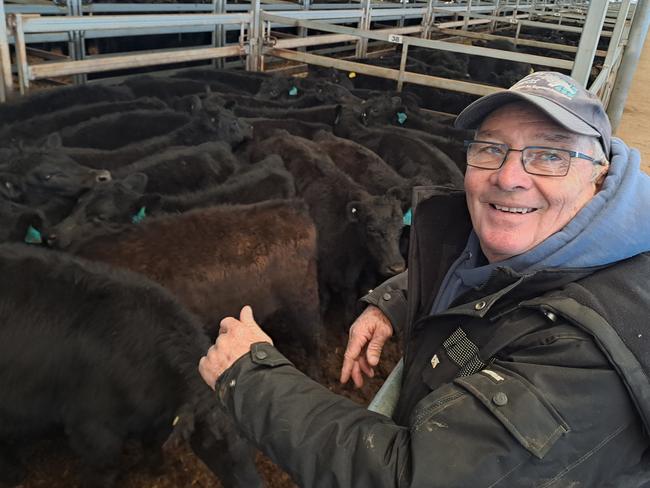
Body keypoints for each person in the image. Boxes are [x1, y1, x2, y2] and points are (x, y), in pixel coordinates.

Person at [198, 71, 650, 487]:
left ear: (601, 175)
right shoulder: (543, 245)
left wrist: (250, 377)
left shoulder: (593, 355)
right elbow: (485, 279)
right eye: (491, 147)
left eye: (550, 155)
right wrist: (394, 300)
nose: (509, 176)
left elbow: (411, 476)